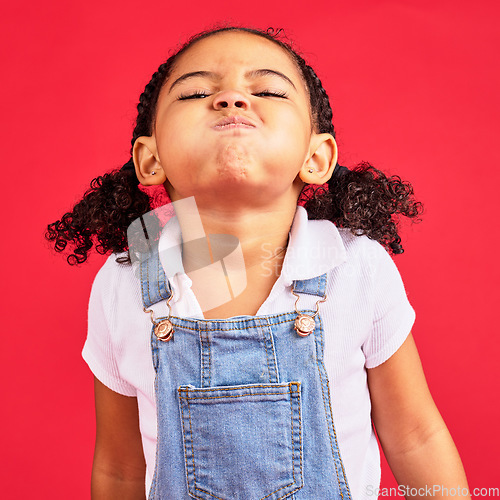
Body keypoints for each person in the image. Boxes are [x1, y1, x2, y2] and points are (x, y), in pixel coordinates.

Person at [46, 26, 470, 500]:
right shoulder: (124, 281)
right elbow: (120, 468)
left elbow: (415, 437)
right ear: (150, 159)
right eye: (196, 92)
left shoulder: (354, 266)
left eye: (266, 90)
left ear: (316, 156)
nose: (230, 99)